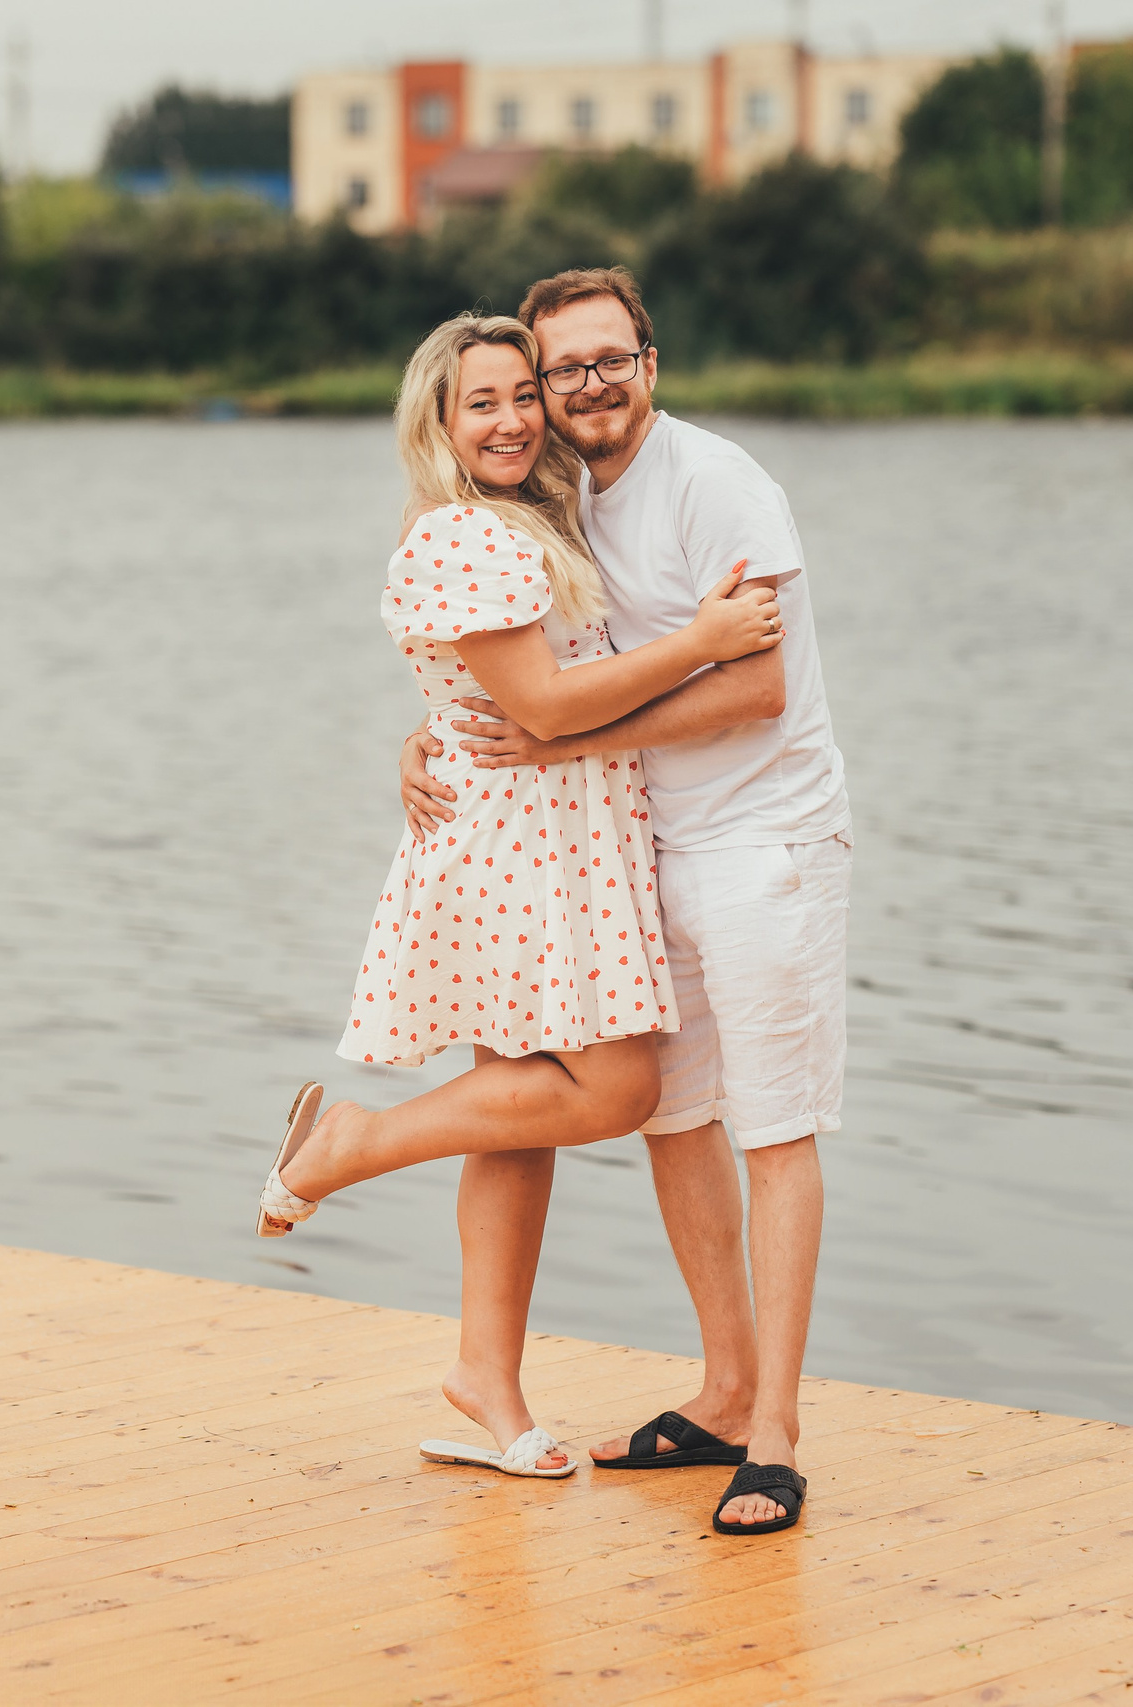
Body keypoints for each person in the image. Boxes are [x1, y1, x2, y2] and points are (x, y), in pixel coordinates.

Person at [258, 310, 781, 1481]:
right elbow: (543, 708)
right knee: (615, 1084)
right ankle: (347, 1144)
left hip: (559, 838)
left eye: (518, 396)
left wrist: (424, 727)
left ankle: (485, 1376)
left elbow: (498, 686)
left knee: (516, 1111)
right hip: (519, 850)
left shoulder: (529, 524)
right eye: (479, 402)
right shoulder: (462, 538)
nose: (508, 419)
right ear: (438, 423)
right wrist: (703, 637)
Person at [402, 268, 852, 1537]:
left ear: (650, 363)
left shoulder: (719, 485)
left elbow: (751, 692)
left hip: (765, 841)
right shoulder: (561, 500)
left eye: (610, 360)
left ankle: (775, 1436)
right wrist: (427, 738)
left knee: (774, 1129)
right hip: (647, 848)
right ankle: (721, 1389)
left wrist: (553, 748)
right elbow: (521, 664)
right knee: (673, 1114)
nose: (583, 387)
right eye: (562, 370)